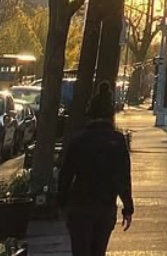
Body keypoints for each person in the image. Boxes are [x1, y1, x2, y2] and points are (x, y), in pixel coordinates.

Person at [57, 81, 135, 256]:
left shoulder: (78, 140)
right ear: (110, 115)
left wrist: (61, 203)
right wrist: (127, 207)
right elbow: (123, 177)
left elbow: (66, 174)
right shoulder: (117, 141)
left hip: (80, 205)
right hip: (105, 205)